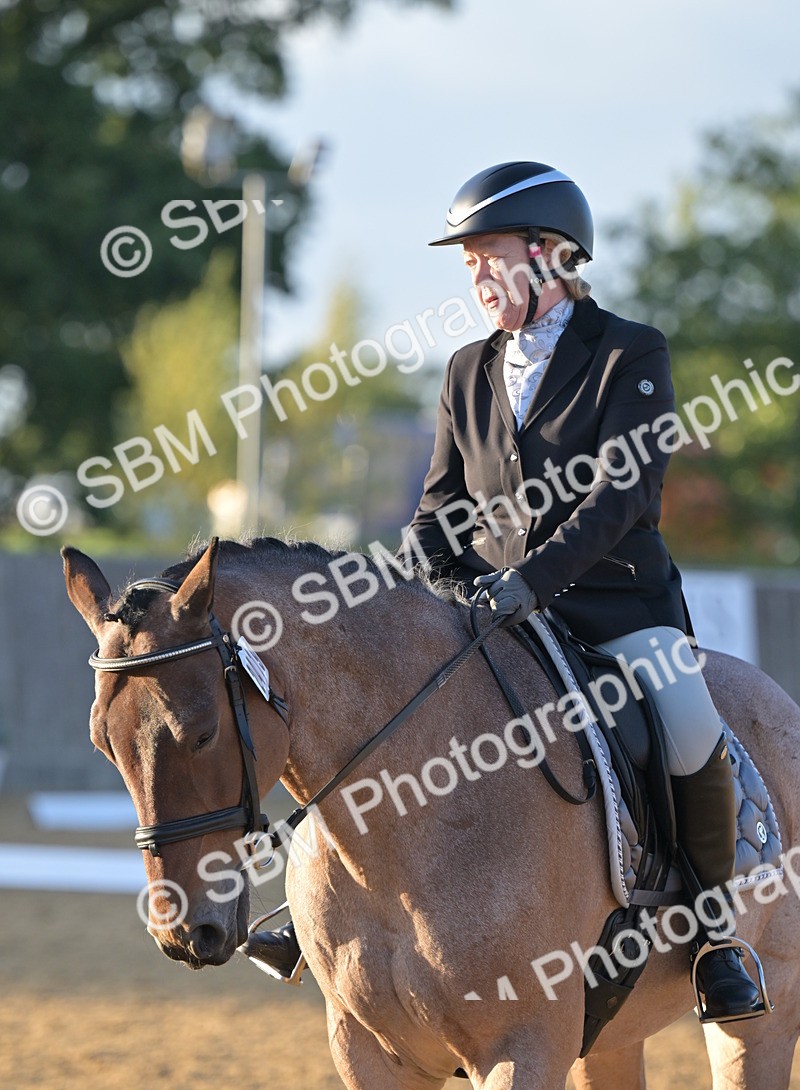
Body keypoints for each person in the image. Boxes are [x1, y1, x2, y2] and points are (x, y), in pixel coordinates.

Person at [248, 161, 764, 1022]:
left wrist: (531, 582)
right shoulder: (464, 369)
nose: (478, 280)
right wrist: (441, 574)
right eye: (469, 266)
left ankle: (715, 939)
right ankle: (309, 914)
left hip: (616, 607)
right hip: (490, 612)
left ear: (550, 255)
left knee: (687, 728)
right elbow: (441, 504)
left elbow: (622, 499)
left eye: (489, 259)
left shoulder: (629, 353)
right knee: (380, 713)